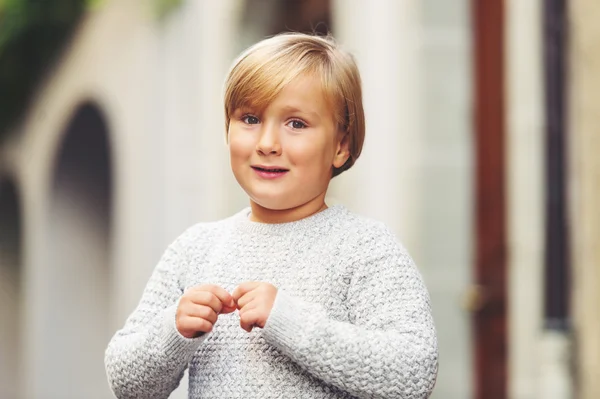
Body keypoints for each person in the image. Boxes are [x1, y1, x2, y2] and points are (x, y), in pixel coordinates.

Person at [105, 32, 438, 398]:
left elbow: (413, 371)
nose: (267, 144)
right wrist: (173, 331)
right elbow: (127, 384)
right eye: (249, 118)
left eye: (296, 124)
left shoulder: (364, 247)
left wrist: (290, 322)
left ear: (341, 145)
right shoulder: (195, 249)